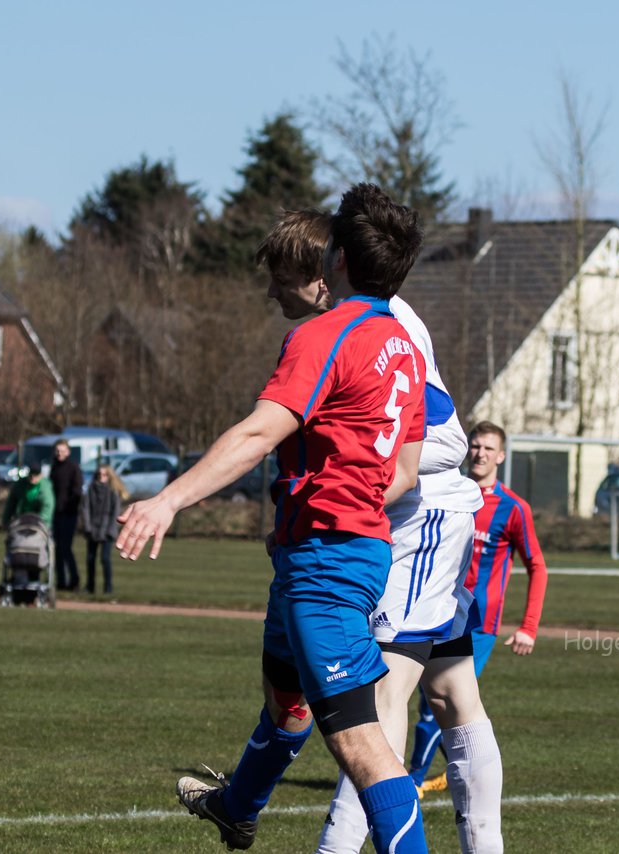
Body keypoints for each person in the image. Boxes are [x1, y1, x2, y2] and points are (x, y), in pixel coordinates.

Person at [119, 183, 430, 853]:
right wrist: (324, 499)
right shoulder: (403, 347)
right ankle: (238, 807)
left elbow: (260, 434)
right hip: (337, 548)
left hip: (328, 560)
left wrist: (167, 499)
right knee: (285, 700)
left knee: (361, 744)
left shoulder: (324, 336)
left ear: (337, 259)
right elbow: (403, 471)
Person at [255, 209, 504, 853]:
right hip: (415, 524)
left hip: (418, 525)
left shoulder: (381, 325)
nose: (277, 291)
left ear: (326, 265)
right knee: (452, 695)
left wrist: (358, 487)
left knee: (377, 710)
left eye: (286, 275)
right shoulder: (353, 321)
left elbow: (443, 435)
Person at [406, 421, 548, 801]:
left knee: (434, 704)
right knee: (444, 704)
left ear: (501, 456)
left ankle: (413, 782)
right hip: (434, 608)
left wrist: (528, 626)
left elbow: (537, 566)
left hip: (479, 623)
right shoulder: (449, 493)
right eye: (475, 446)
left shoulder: (513, 508)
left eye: (488, 448)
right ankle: (467, 768)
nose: (480, 453)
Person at [80, 464, 127, 595]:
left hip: (107, 530)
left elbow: (116, 512)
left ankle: (108, 588)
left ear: (110, 476)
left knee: (105, 559)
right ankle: (90, 587)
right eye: (99, 474)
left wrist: (111, 529)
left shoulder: (113, 491)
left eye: (105, 475)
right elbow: (85, 508)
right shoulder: (91, 489)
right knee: (90, 559)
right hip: (92, 529)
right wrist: (87, 526)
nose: (102, 477)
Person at [49, 440, 84, 591]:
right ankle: (61, 581)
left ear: (68, 452)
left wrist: (69, 507)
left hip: (68, 514)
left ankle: (74, 580)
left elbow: (77, 491)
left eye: (62, 450)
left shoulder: (73, 468)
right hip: (56, 514)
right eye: (57, 450)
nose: (60, 453)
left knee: (66, 548)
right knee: (57, 549)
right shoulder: (54, 467)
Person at [4, 461, 55, 527]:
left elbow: (47, 509)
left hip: (41, 522)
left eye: (36, 475)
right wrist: (6, 521)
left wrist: (39, 523)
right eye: (31, 474)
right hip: (22, 518)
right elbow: (11, 503)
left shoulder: (45, 488)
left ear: (41, 475)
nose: (33, 477)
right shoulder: (20, 485)